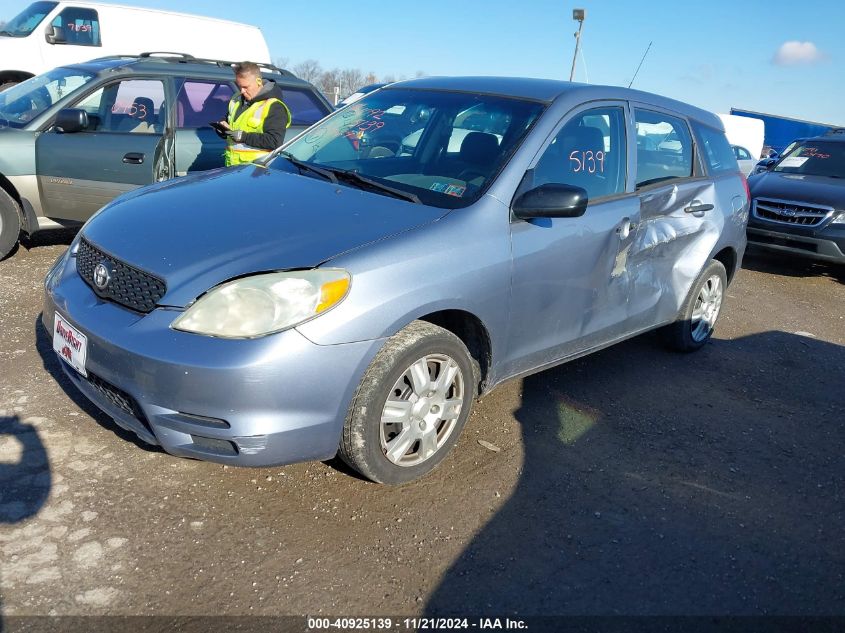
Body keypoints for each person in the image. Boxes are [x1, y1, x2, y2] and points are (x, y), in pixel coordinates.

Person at [216, 61, 291, 166]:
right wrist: (222, 128)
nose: (242, 91)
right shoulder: (236, 100)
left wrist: (243, 137)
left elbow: (275, 141)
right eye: (239, 86)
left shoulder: (274, 106)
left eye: (246, 87)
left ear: (259, 82)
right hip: (232, 167)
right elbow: (229, 121)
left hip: (257, 171)